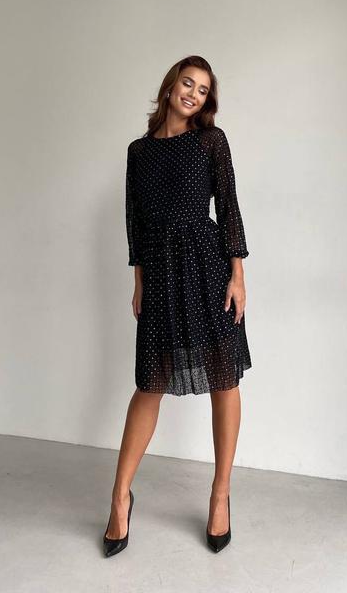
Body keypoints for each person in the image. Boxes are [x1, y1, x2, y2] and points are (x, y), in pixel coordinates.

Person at [103, 55, 252, 557]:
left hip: (208, 269)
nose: (193, 93)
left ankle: (220, 494)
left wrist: (238, 277)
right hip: (161, 274)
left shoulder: (211, 141)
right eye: (188, 83)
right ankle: (120, 497)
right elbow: (135, 222)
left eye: (203, 89)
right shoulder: (139, 152)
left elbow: (228, 208)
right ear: (170, 86)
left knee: (223, 378)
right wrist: (139, 282)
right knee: (150, 384)